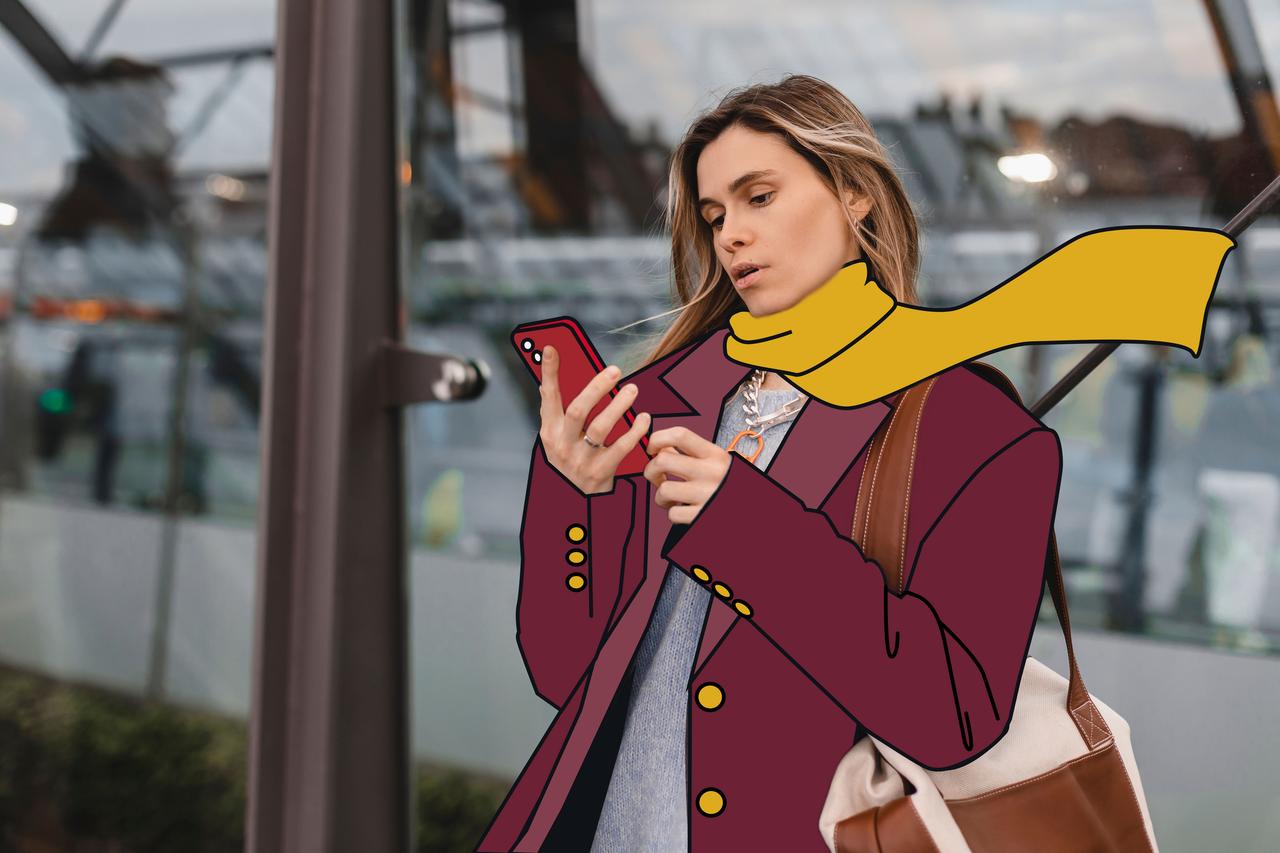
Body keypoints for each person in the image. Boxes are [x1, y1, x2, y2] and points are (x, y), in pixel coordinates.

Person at [477, 73, 1230, 852]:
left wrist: (746, 526)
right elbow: (565, 675)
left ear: (855, 195)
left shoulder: (974, 430)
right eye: (714, 214)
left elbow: (954, 716)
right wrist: (579, 494)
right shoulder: (659, 402)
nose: (730, 233)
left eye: (758, 196)